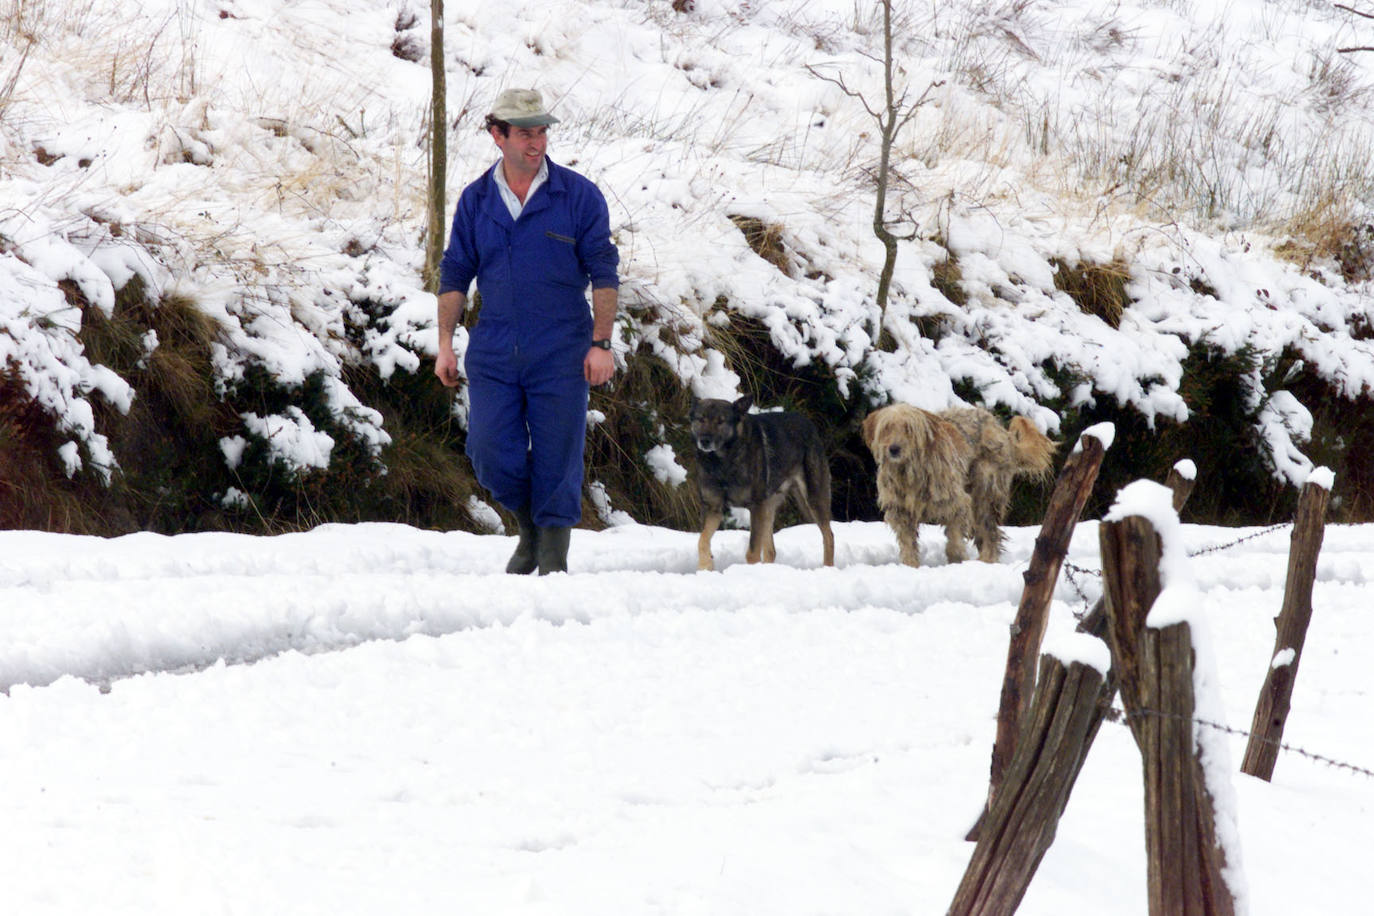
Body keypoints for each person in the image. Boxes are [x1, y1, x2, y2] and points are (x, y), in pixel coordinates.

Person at [434, 88, 620, 575]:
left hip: (561, 347)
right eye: (524, 133)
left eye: (541, 131)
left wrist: (601, 343)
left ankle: (553, 557)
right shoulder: (476, 200)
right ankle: (529, 529)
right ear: (498, 135)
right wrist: (444, 345)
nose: (535, 143)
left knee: (559, 453)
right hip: (494, 348)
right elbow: (455, 272)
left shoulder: (577, 195)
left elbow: (603, 270)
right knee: (491, 451)